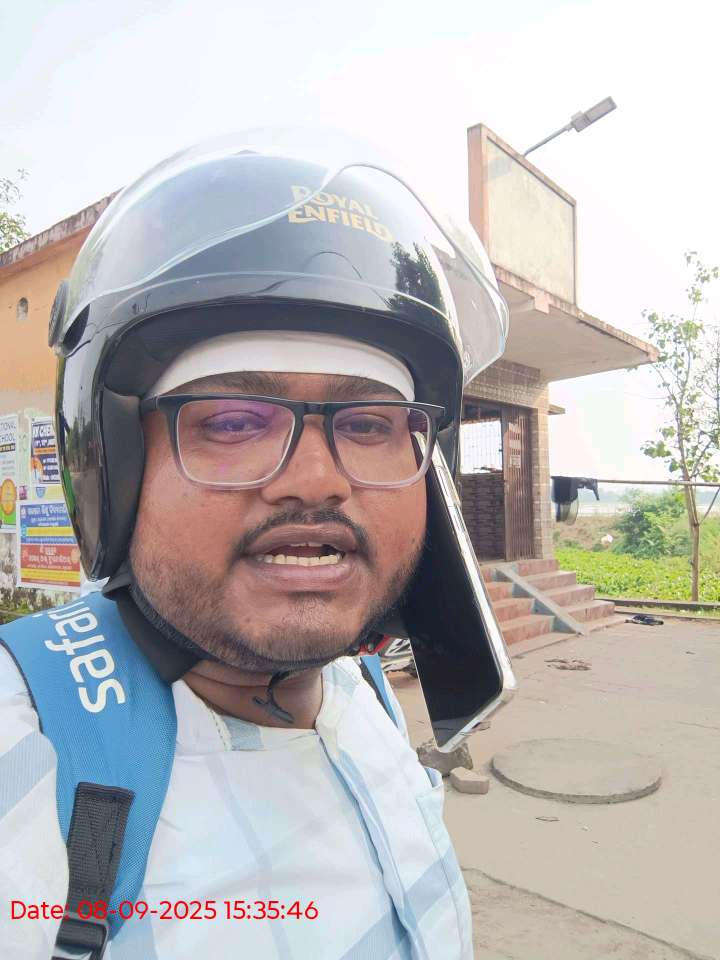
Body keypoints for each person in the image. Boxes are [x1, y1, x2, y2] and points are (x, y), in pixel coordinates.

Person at [0, 132, 508, 960]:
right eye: (234, 421)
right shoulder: (32, 748)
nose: (316, 480)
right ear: (113, 469)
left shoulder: (364, 694)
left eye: (369, 423)